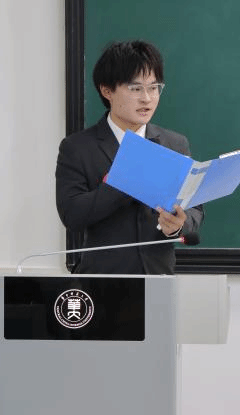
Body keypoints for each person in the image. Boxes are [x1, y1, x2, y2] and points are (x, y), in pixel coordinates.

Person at [55, 40, 204, 274]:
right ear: (107, 91)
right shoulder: (77, 148)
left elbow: (195, 209)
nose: (147, 98)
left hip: (159, 279)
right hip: (102, 282)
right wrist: (125, 180)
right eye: (135, 89)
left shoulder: (175, 144)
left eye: (154, 88)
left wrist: (177, 226)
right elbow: (72, 215)